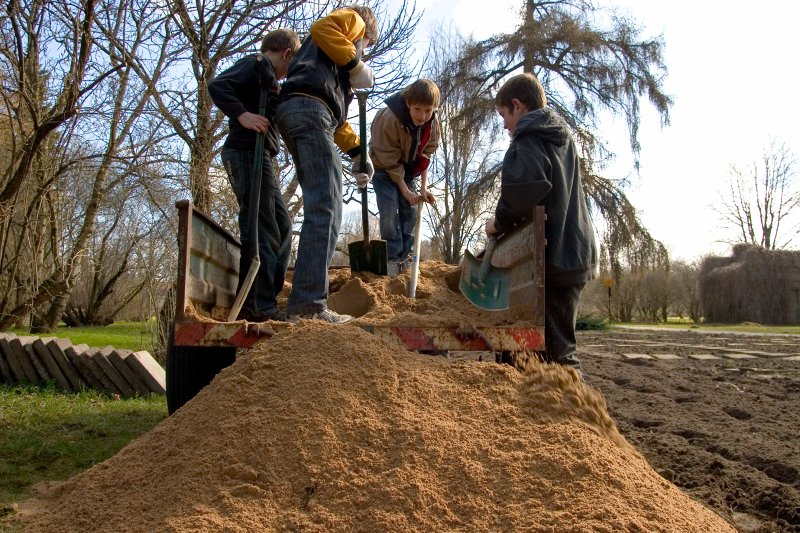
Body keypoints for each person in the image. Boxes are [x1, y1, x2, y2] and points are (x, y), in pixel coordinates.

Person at [484, 72, 597, 376]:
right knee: (543, 347)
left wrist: (497, 223)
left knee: (559, 351)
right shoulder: (557, 135)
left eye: (503, 114)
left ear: (517, 106)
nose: (505, 125)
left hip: (557, 257)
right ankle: (539, 414)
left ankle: (580, 420)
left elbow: (526, 191)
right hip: (573, 250)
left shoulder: (530, 136)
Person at [276, 6, 378, 324]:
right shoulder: (354, 21)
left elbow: (336, 123)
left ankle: (305, 300)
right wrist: (355, 62)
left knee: (323, 202)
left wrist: (359, 153)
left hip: (303, 112)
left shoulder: (328, 74)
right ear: (366, 37)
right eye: (366, 47)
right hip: (308, 109)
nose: (364, 52)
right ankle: (307, 305)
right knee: (327, 207)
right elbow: (321, 27)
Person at [208, 28, 301, 322]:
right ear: (287, 54)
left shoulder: (270, 79)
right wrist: (242, 115)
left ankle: (265, 298)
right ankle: (256, 305)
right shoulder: (256, 64)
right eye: (291, 65)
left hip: (262, 155)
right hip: (246, 152)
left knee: (282, 226)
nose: (288, 73)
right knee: (261, 226)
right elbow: (218, 85)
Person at [369, 79, 440, 276]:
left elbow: (425, 156)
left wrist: (422, 189)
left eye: (428, 110)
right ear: (409, 103)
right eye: (417, 109)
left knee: (410, 210)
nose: (422, 116)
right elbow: (389, 160)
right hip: (383, 168)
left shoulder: (432, 123)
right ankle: (392, 259)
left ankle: (407, 257)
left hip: (408, 169)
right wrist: (405, 189)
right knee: (390, 211)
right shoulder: (389, 118)